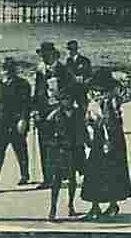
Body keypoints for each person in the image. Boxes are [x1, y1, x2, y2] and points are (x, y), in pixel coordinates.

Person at [81, 69, 131, 221]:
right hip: (99, 138)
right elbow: (89, 119)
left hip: (110, 139)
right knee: (95, 172)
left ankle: (110, 204)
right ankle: (97, 206)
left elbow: (111, 123)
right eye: (95, 89)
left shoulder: (110, 101)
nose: (96, 91)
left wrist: (107, 141)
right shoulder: (94, 101)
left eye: (99, 89)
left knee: (109, 171)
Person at [32, 41, 75, 190]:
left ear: (53, 54)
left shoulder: (63, 70)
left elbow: (70, 92)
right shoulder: (40, 71)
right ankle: (47, 178)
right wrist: (35, 111)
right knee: (44, 146)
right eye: (41, 55)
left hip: (58, 115)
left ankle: (61, 175)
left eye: (46, 55)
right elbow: (37, 93)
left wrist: (59, 109)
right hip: (43, 115)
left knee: (59, 147)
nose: (43, 58)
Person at [0, 57, 31, 192]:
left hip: (16, 124)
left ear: (13, 71)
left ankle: (24, 175)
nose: (4, 72)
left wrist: (23, 119)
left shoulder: (23, 84)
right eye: (4, 69)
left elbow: (26, 104)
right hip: (0, 124)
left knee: (21, 151)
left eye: (7, 69)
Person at [44, 89, 84, 220]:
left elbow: (82, 130)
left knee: (72, 179)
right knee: (56, 181)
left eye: (70, 99)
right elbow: (47, 131)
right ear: (61, 101)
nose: (69, 102)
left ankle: (71, 206)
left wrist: (87, 142)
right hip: (60, 151)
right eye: (65, 99)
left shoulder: (78, 113)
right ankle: (53, 208)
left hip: (74, 150)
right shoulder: (55, 115)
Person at [64, 40, 92, 110]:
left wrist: (82, 78)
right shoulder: (68, 61)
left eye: (72, 49)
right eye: (69, 49)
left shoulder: (84, 60)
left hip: (81, 89)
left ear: (76, 49)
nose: (70, 52)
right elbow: (67, 74)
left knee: (83, 107)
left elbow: (88, 73)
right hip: (71, 89)